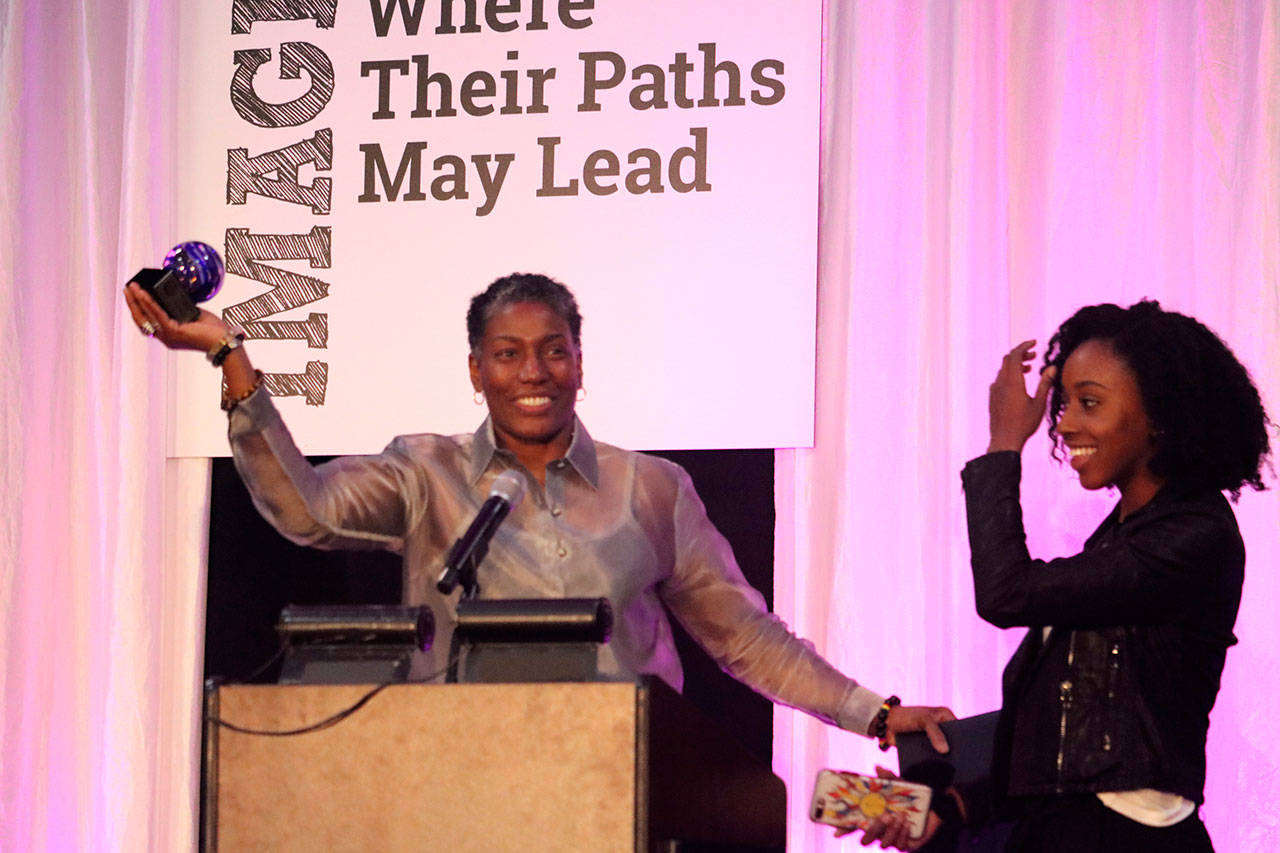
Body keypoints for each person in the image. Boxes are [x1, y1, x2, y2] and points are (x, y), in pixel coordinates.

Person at [124, 271, 953, 749]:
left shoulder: (653, 488)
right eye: (509, 353)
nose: (535, 371)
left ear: (580, 363)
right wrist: (229, 355)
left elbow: (746, 637)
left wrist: (875, 714)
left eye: (554, 350)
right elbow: (307, 511)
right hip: (465, 779)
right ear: (476, 371)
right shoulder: (426, 470)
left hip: (623, 786)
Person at [862, 300, 1270, 852]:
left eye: (1089, 403)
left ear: (1160, 415)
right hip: (1072, 831)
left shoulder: (1194, 537)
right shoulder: (1122, 536)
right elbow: (1063, 736)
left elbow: (1007, 593)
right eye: (1066, 403)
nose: (1063, 422)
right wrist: (953, 807)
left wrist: (1004, 443)